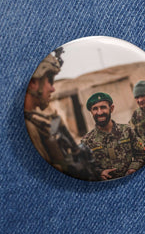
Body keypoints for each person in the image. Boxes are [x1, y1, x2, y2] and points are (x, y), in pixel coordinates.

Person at [24, 50, 96, 180]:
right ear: (33, 83)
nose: (53, 89)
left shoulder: (43, 121)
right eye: (50, 81)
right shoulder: (31, 127)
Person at [81, 92, 145, 180]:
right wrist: (99, 173)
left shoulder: (127, 130)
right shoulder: (86, 141)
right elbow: (85, 167)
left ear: (111, 108)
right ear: (91, 112)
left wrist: (133, 168)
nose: (99, 112)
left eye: (103, 107)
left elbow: (142, 154)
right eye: (95, 109)